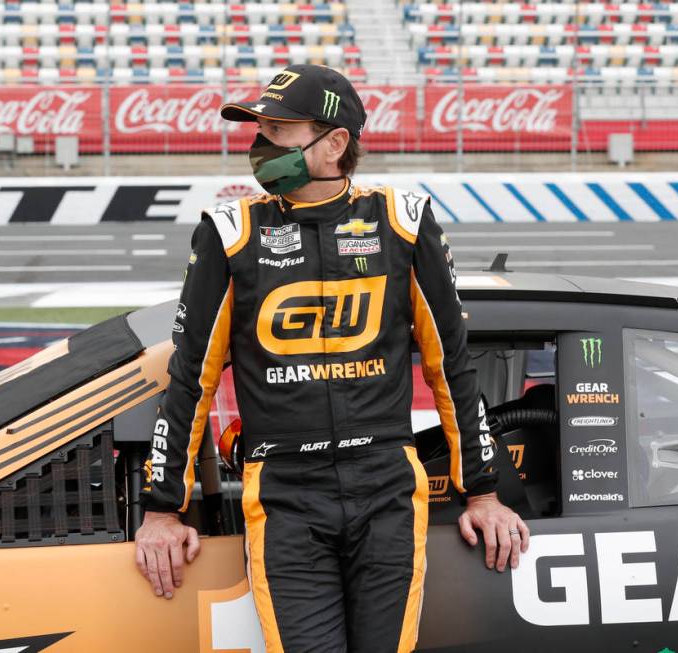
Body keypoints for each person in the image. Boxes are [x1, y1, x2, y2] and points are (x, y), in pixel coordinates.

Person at [135, 64, 530, 653]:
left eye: (277, 131)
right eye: (259, 131)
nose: (260, 147)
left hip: (388, 488)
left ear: (335, 143)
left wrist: (484, 492)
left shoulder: (403, 222)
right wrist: (163, 509)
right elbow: (191, 376)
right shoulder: (230, 232)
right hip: (284, 494)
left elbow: (450, 368)